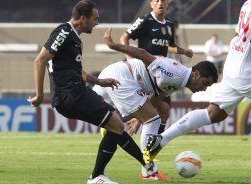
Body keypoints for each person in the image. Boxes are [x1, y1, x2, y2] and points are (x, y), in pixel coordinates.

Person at [27, 1, 156, 183]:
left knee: (115, 123)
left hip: (75, 92)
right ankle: (102, 175)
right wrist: (40, 96)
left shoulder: (74, 38)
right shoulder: (64, 31)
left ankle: (144, 167)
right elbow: (40, 61)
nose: (97, 23)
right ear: (82, 19)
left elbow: (76, 71)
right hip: (71, 94)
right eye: (95, 19)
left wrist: (99, 81)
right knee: (116, 123)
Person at [143, 0, 251, 164]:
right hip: (250, 71)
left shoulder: (250, 2)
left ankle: (161, 139)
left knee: (214, 113)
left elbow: (237, 35)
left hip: (234, 64)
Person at [98, 27, 218, 171]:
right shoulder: (174, 73)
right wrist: (113, 46)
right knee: (153, 120)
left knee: (90, 110)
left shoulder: (180, 80)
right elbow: (143, 54)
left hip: (120, 77)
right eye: (205, 83)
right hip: (122, 77)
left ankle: (110, 125)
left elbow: (156, 98)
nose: (204, 89)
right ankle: (148, 170)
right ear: (197, 74)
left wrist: (138, 119)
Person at [120, 0, 193, 135]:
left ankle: (154, 143)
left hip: (161, 72)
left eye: (163, 1)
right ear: (151, 3)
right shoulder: (145, 20)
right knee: (145, 107)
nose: (160, 3)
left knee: (164, 110)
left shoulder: (170, 24)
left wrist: (183, 51)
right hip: (145, 71)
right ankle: (116, 123)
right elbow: (124, 38)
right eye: (157, 0)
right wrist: (130, 59)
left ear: (168, 4)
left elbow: (169, 45)